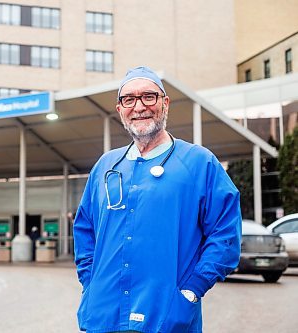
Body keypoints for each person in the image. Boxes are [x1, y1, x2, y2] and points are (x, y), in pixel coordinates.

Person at [73, 66, 242, 333]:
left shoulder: (199, 163)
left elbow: (225, 235)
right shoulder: (106, 166)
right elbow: (85, 231)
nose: (139, 106)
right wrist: (91, 283)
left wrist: (193, 288)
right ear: (120, 110)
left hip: (167, 317)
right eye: (129, 99)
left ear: (165, 103)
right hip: (103, 317)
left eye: (148, 97)